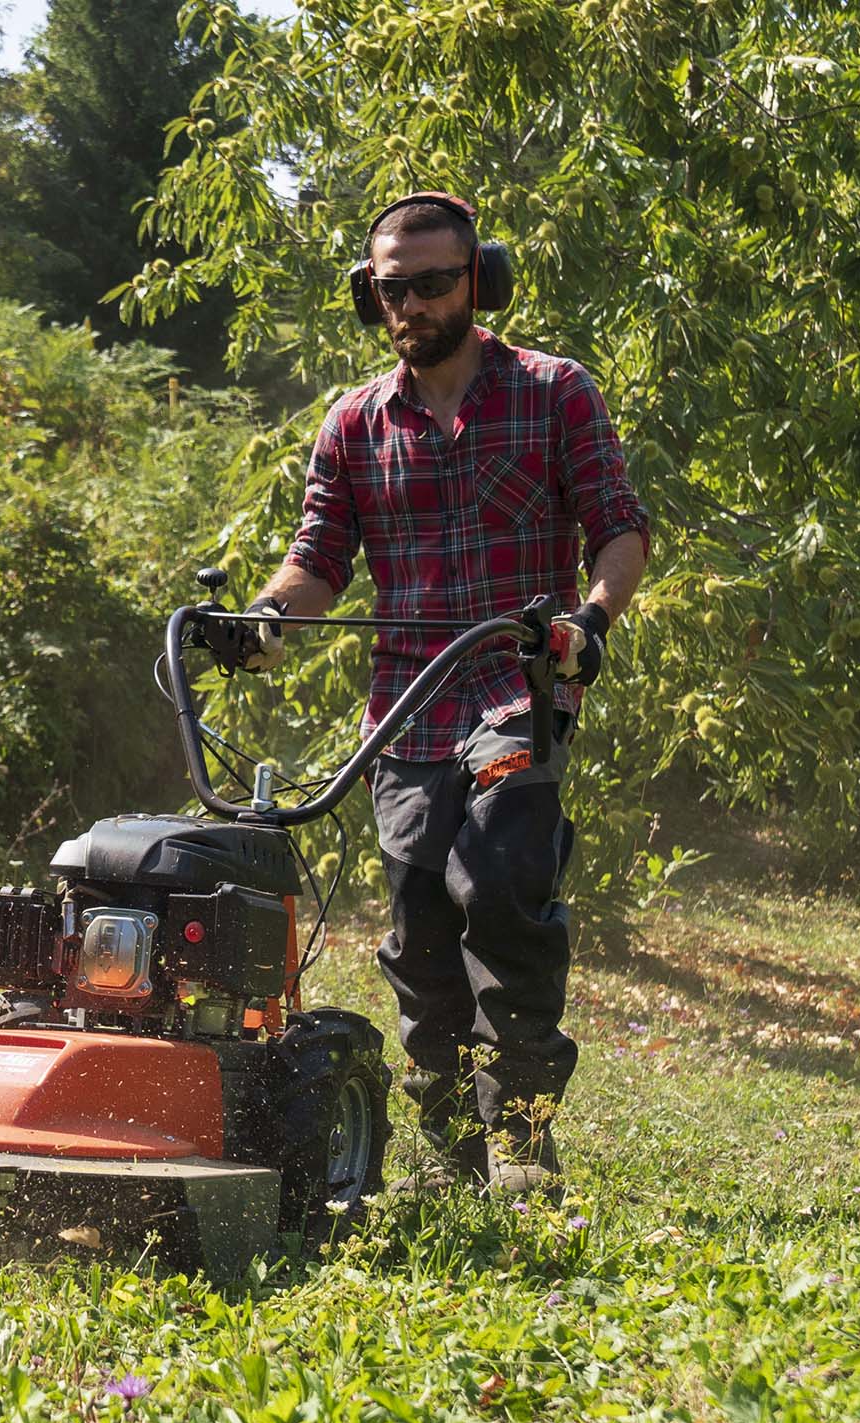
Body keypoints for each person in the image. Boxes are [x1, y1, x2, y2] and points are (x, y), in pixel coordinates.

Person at [242, 192, 649, 1195]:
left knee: (501, 875)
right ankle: (444, 1132)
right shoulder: (353, 424)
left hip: (517, 691)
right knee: (421, 918)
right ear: (371, 296)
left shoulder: (554, 392)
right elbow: (317, 563)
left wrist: (593, 616)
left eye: (432, 282)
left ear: (480, 280)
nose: (413, 303)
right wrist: (257, 622)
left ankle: (521, 1125)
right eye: (394, 288)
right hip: (408, 707)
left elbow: (618, 525)